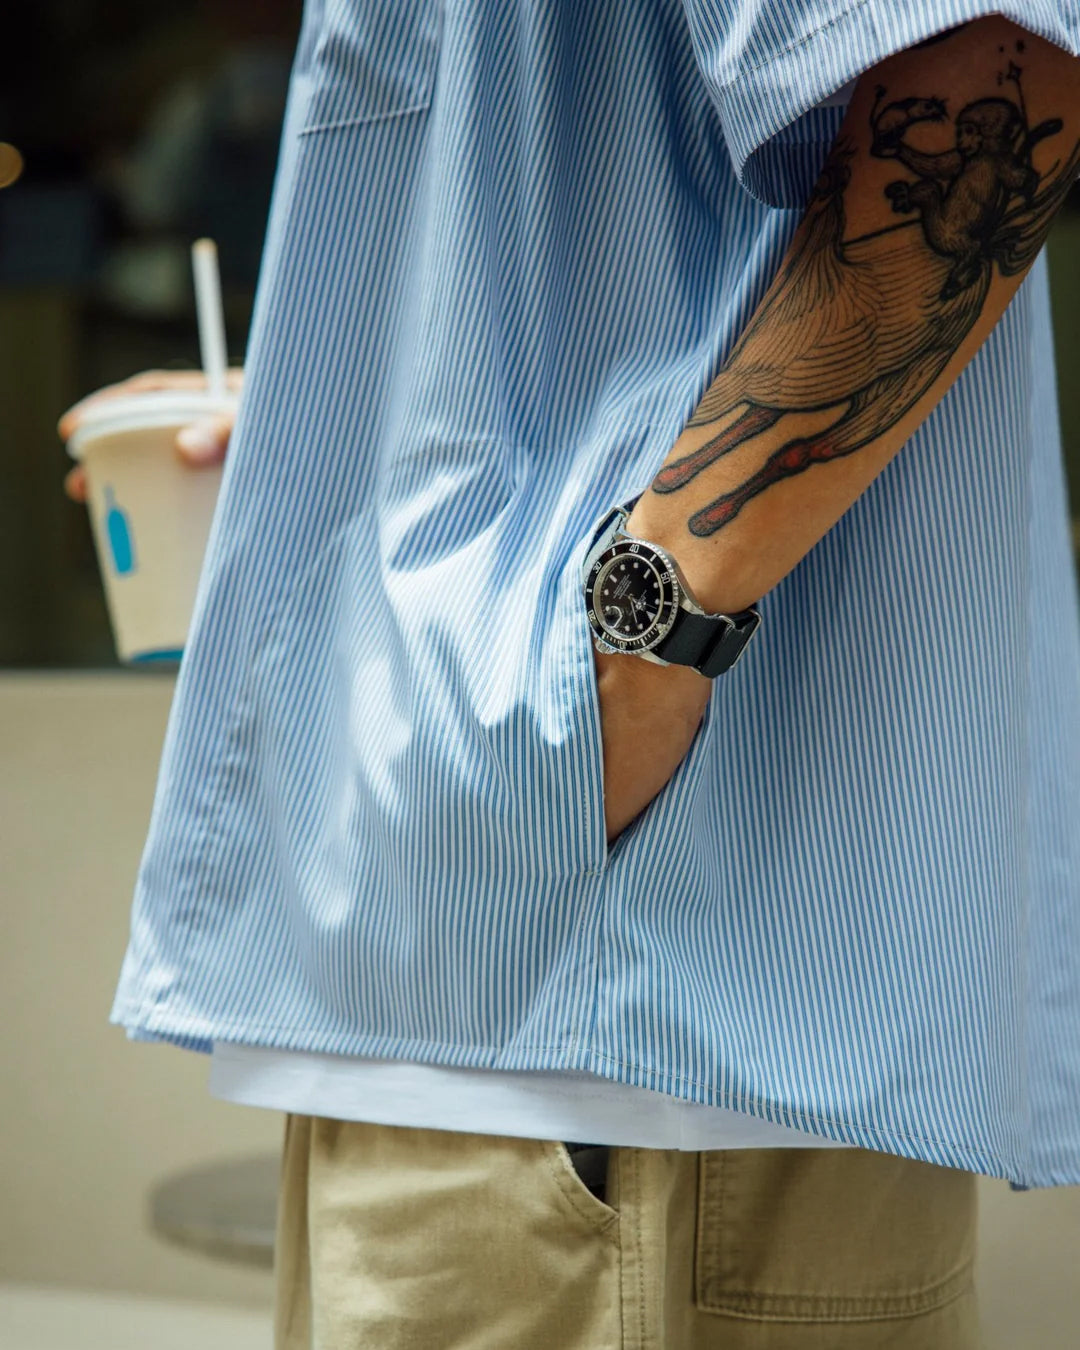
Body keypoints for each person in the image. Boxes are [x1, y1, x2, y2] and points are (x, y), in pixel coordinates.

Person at [61, 4, 1080, 1347]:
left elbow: (994, 66)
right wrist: (335, 433)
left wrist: (639, 635)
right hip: (484, 978)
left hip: (619, 1025)